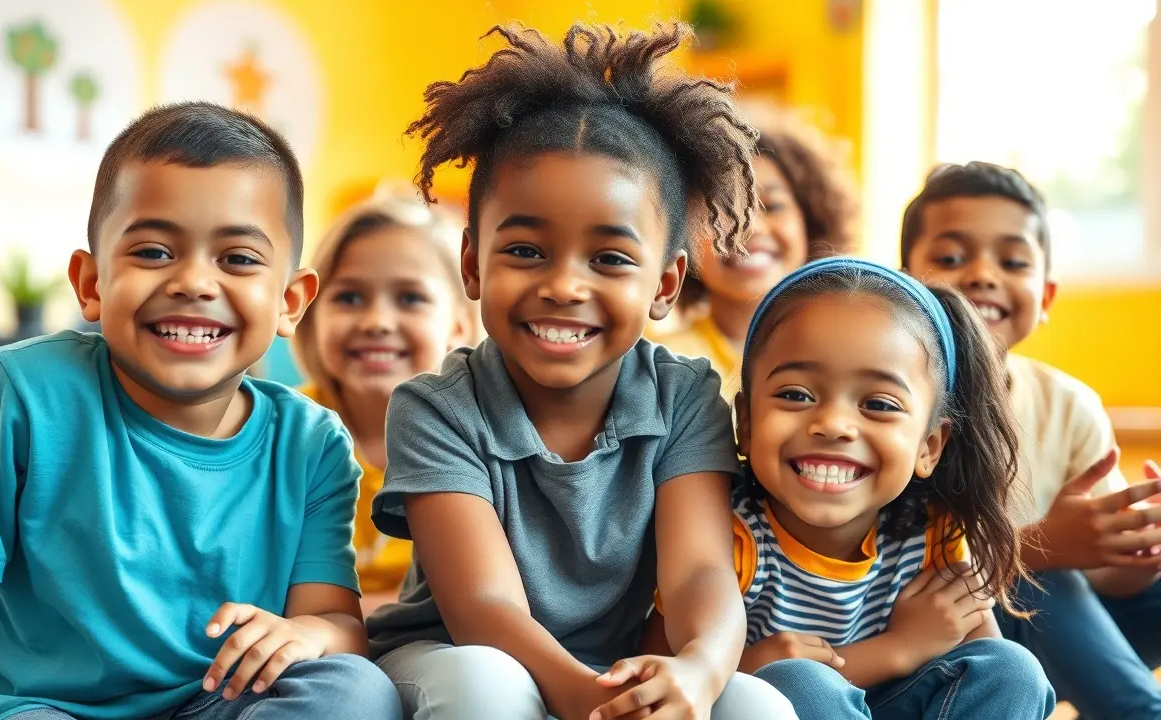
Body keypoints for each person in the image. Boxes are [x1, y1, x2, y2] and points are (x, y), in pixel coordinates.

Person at [365, 21, 797, 720]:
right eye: (527, 252)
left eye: (610, 259)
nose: (565, 286)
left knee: (754, 704)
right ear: (473, 264)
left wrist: (697, 671)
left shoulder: (684, 398)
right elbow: (485, 607)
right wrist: (591, 704)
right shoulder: (435, 407)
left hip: (607, 669)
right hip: (451, 657)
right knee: (488, 687)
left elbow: (698, 576)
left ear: (664, 284)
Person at [0, 102, 400, 720]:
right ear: (91, 283)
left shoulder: (311, 443)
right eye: (152, 252)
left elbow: (335, 622)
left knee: (357, 692)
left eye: (239, 259)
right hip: (40, 705)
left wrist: (310, 635)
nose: (194, 282)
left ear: (290, 300)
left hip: (216, 703)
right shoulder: (19, 392)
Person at [723, 257, 1054, 719]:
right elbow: (676, 673)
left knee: (1012, 669)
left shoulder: (934, 530)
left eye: (878, 403)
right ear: (746, 422)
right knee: (796, 682)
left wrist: (909, 651)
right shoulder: (730, 538)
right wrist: (900, 648)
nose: (834, 424)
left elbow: (981, 667)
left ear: (929, 446)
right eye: (796, 394)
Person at [902, 161, 1161, 720]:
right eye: (950, 258)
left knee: (1072, 579)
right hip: (946, 640)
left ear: (1044, 295)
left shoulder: (1070, 404)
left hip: (1063, 634)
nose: (981, 274)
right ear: (905, 287)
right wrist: (1041, 546)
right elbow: (910, 577)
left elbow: (1106, 578)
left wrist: (1138, 553)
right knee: (1047, 575)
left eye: (1012, 260)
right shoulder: (896, 406)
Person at [292, 183, 475, 611]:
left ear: (459, 326)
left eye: (411, 298)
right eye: (349, 297)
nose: (377, 321)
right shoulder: (279, 430)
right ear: (309, 314)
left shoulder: (478, 437)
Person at [657, 106, 857, 387]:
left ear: (810, 222)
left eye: (773, 206)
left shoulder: (853, 352)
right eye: (723, 209)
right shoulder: (657, 369)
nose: (750, 227)